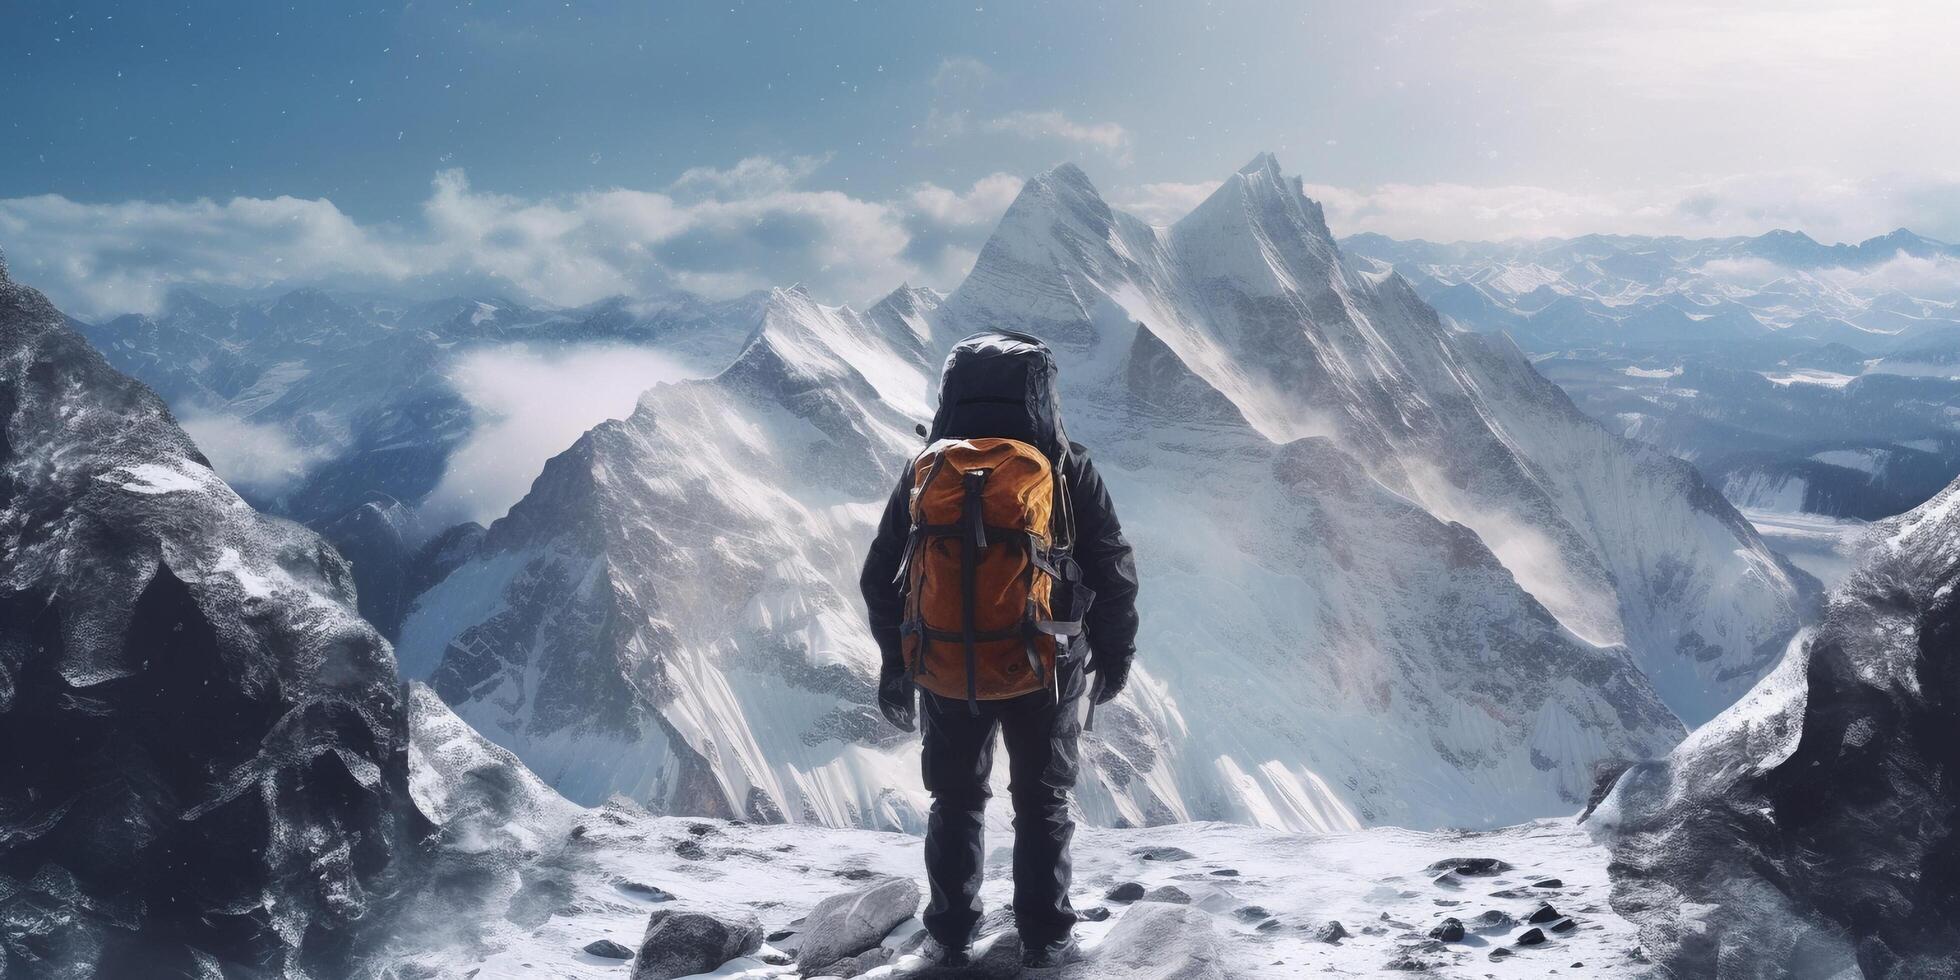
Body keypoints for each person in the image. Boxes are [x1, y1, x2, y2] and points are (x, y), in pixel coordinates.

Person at [860, 331, 1139, 970]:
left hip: (947, 667)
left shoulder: (928, 469)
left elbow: (880, 576)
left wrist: (899, 662)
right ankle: (1046, 939)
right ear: (1042, 395)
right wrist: (1114, 659)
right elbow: (1112, 568)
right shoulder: (1065, 468)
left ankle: (949, 937)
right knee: (1042, 803)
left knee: (954, 801)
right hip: (1046, 667)